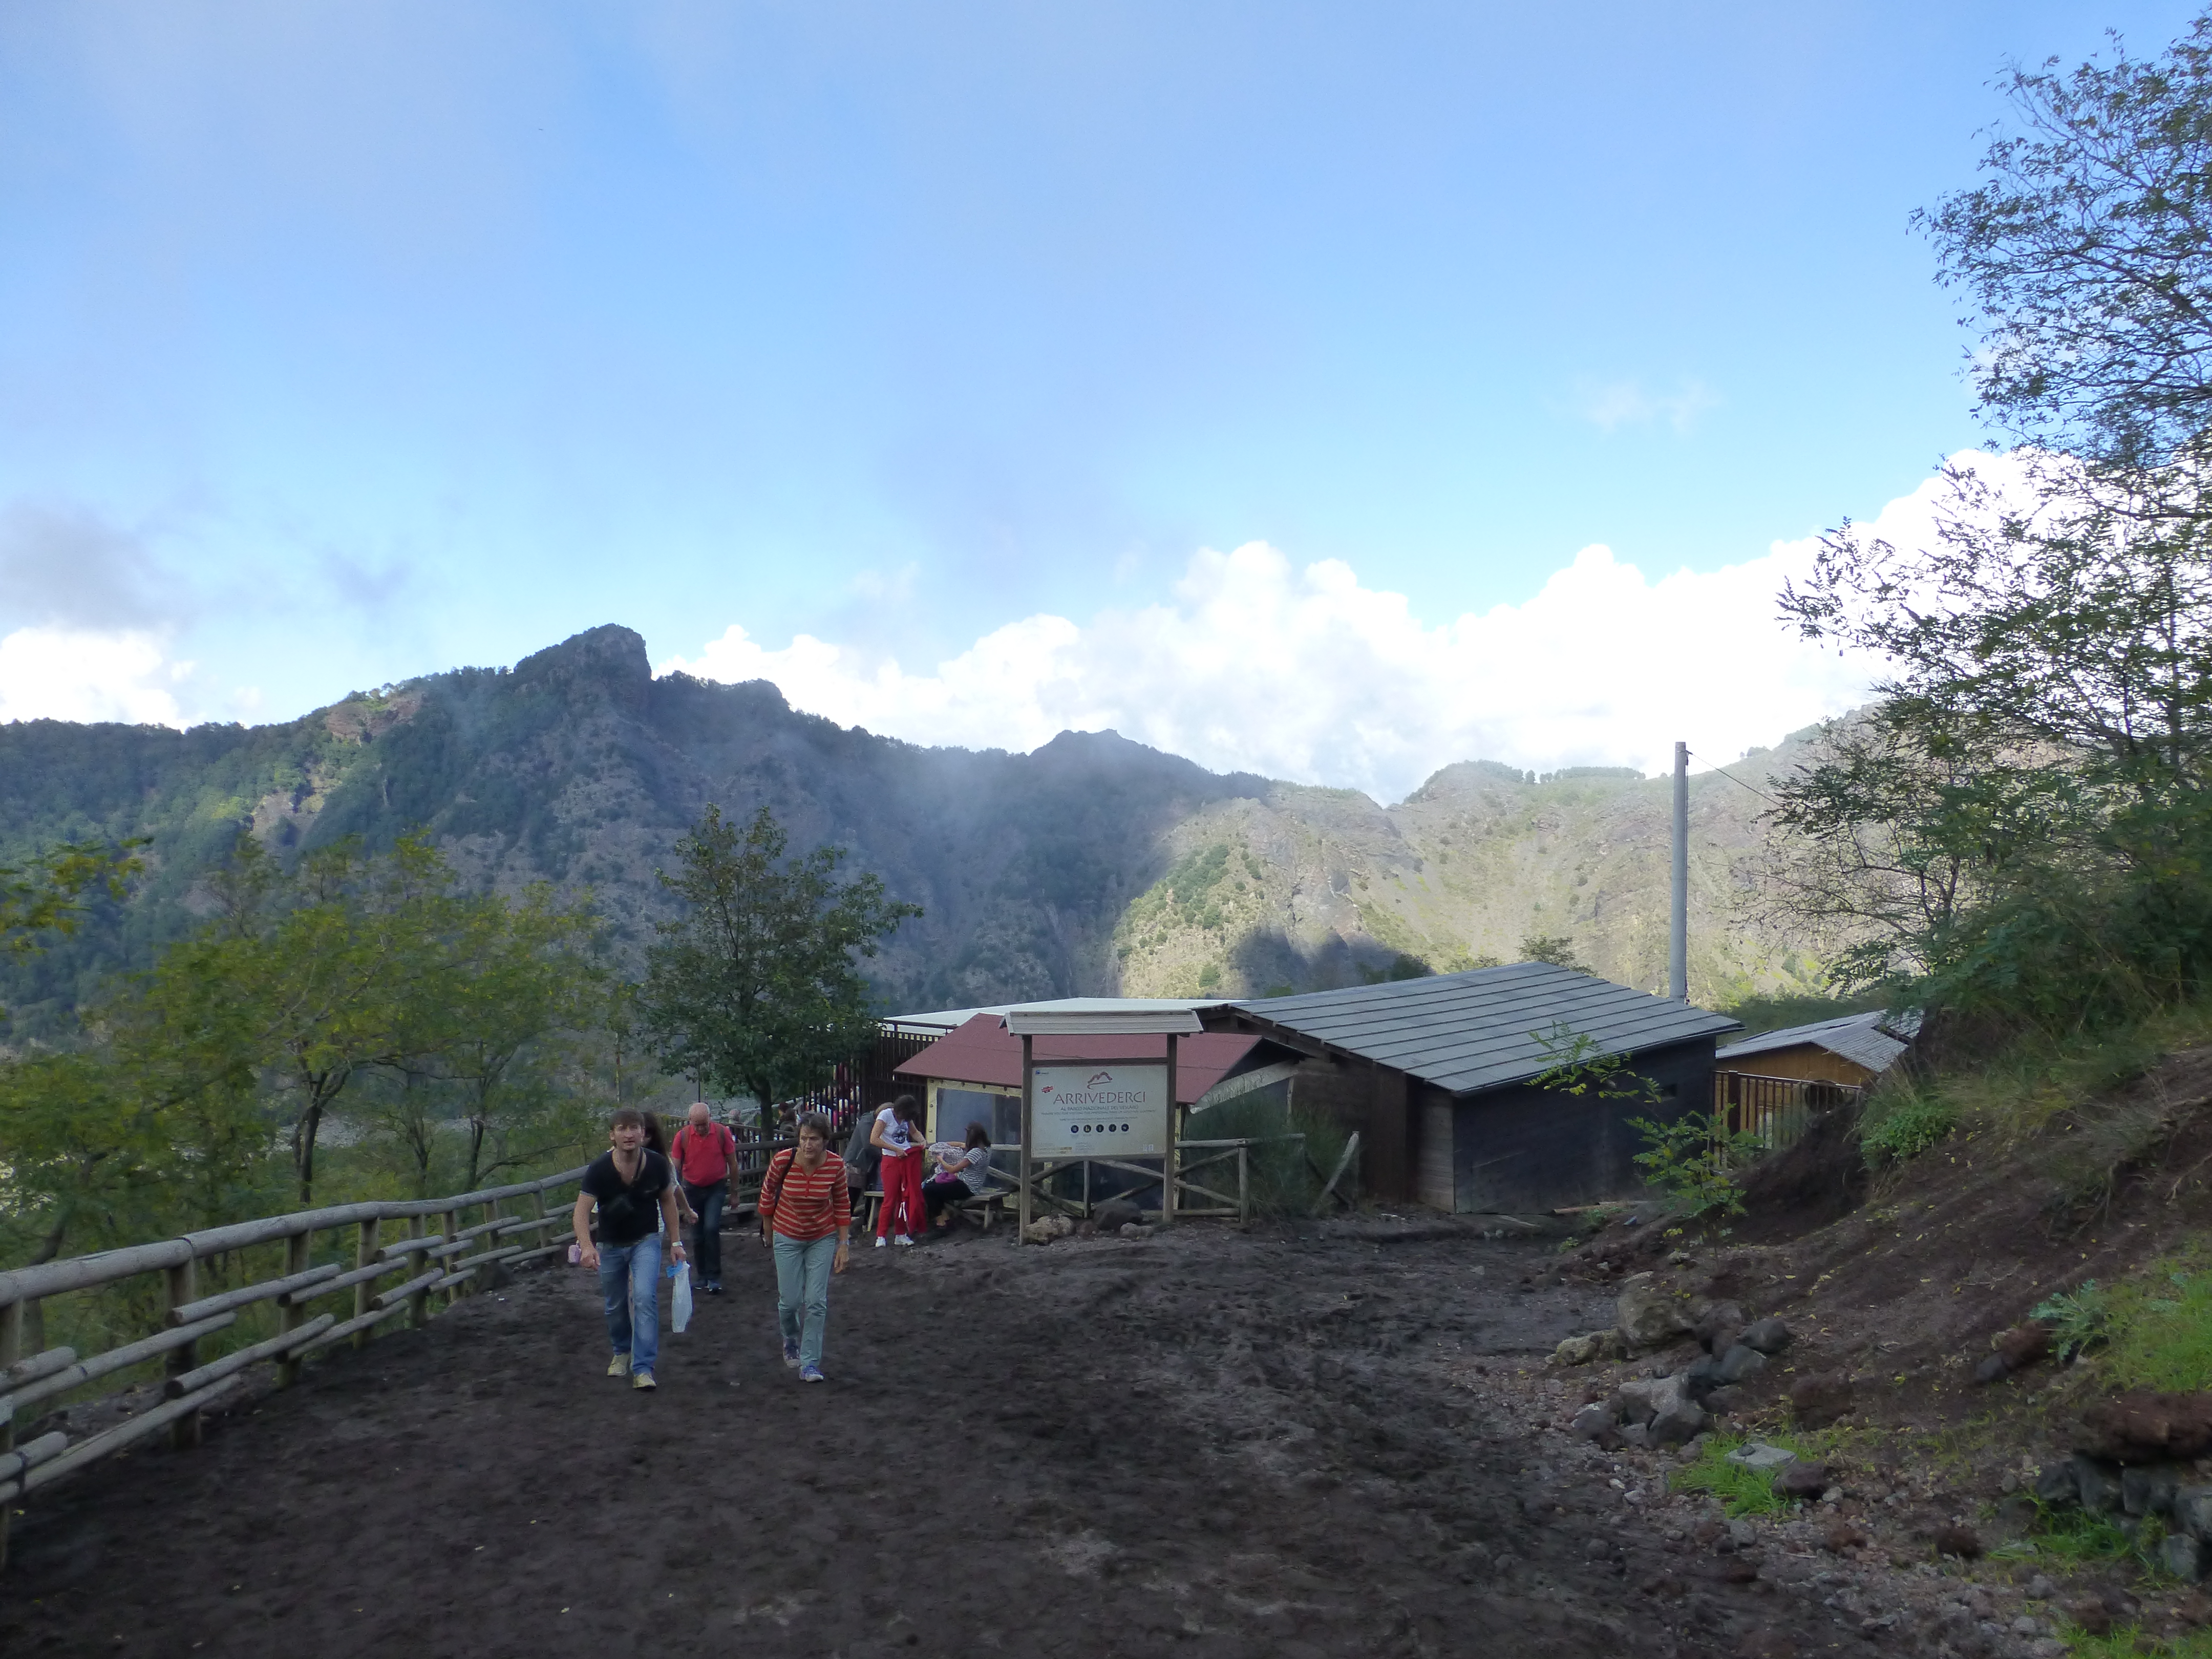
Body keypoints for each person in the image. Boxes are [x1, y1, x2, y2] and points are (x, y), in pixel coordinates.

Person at [572, 1107, 687, 1391]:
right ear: (612, 1135)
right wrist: (587, 1246)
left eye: (634, 1128)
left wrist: (675, 1242)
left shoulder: (658, 1165)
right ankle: (621, 1351)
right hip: (610, 1244)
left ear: (643, 1133)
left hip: (645, 1240)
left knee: (645, 1298)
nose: (629, 1134)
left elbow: (668, 1201)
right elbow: (581, 1211)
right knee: (615, 1304)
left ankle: (643, 1368)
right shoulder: (599, 1169)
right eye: (622, 1129)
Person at [757, 1111, 850, 1382]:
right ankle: (790, 1338)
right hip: (787, 1233)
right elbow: (767, 1194)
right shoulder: (782, 1161)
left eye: (814, 1139)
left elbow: (842, 1204)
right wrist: (768, 1231)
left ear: (825, 1141)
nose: (808, 1145)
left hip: (822, 1236)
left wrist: (843, 1244)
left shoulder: (835, 1165)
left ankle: (810, 1363)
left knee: (816, 1301)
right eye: (804, 1138)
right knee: (790, 1302)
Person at [670, 1102, 738, 1294]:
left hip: (715, 1188)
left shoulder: (722, 1133)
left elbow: (733, 1163)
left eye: (704, 1124)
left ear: (710, 1118)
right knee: (697, 1233)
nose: (701, 1129)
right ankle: (702, 1276)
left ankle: (715, 1276)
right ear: (690, 1121)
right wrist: (674, 1195)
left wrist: (735, 1192)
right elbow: (675, 1168)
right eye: (697, 1125)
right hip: (692, 1189)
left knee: (711, 1228)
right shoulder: (682, 1137)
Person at [870, 1093, 926, 1248]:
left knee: (904, 1198)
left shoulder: (907, 1118)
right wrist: (895, 1149)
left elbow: (914, 1132)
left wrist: (922, 1141)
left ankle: (900, 1234)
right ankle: (881, 1235)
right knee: (889, 1200)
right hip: (891, 1160)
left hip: (906, 1158)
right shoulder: (885, 1115)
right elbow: (874, 1139)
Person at [922, 1121, 995, 1227]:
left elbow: (952, 1170)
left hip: (968, 1187)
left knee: (928, 1190)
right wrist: (943, 1145)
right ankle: (945, 1218)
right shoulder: (987, 1148)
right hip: (971, 1184)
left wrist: (941, 1159)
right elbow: (961, 1145)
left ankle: (941, 1223)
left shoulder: (975, 1153)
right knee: (933, 1186)